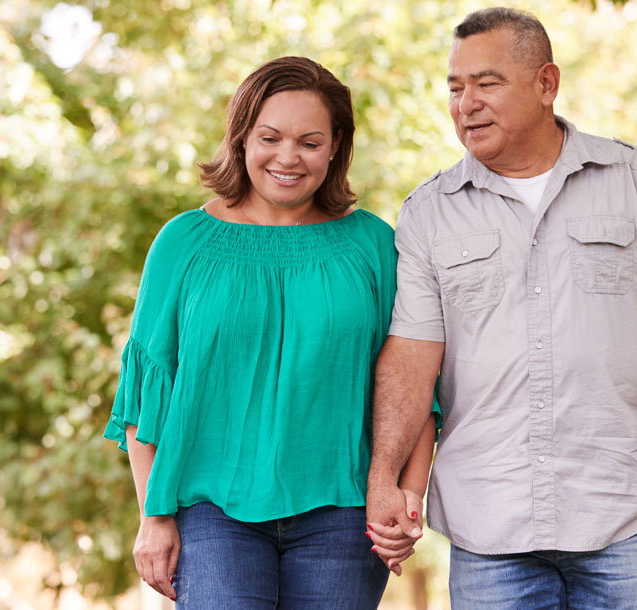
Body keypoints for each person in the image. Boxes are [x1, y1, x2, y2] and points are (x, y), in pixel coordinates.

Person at [366, 8, 637, 608]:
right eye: (456, 87)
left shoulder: (636, 179)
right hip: (488, 520)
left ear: (547, 84)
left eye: (487, 83)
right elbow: (413, 355)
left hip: (621, 511)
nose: (467, 103)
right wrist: (382, 477)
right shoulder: (427, 212)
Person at [104, 56, 435, 609]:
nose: (288, 157)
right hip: (211, 513)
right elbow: (147, 391)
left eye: (309, 141)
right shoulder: (183, 243)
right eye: (270, 137)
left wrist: (407, 494)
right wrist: (153, 517)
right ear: (240, 139)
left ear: (335, 147)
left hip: (344, 512)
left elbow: (413, 380)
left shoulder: (374, 247)